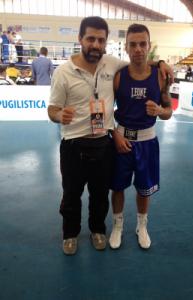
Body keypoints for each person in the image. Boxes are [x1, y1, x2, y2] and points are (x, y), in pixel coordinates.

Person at [48, 16, 174, 255]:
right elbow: (52, 109)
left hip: (113, 143)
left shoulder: (115, 65)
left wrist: (162, 63)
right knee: (74, 194)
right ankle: (75, 234)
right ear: (80, 39)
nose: (95, 44)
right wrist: (59, 115)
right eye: (90, 38)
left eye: (100, 40)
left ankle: (108, 229)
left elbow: (143, 65)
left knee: (103, 194)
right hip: (77, 143)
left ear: (106, 43)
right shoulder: (68, 72)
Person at [109, 24, 172, 250]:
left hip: (147, 142)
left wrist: (159, 111)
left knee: (144, 188)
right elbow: (106, 110)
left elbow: (169, 111)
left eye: (142, 44)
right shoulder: (118, 77)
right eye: (133, 44)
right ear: (125, 47)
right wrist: (114, 133)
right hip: (121, 140)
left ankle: (141, 226)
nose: (138, 49)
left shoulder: (160, 77)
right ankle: (117, 225)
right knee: (117, 187)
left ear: (149, 46)